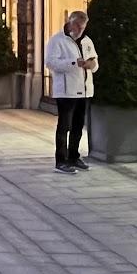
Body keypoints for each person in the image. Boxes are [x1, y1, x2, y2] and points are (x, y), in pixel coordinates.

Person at [44, 10, 99, 174]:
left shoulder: (87, 41)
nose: (80, 30)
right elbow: (51, 63)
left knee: (78, 126)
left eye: (83, 27)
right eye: (77, 26)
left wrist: (92, 65)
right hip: (66, 91)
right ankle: (61, 160)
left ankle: (74, 156)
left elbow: (95, 63)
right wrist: (74, 62)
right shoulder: (57, 40)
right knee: (64, 126)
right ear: (70, 22)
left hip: (84, 90)